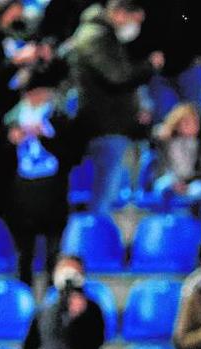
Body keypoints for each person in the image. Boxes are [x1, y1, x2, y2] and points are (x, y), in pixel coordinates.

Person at [64, 0, 164, 214]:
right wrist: (148, 66)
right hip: (103, 125)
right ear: (119, 13)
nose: (135, 27)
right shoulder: (95, 36)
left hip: (112, 124)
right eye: (134, 20)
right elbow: (117, 77)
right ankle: (92, 242)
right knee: (103, 196)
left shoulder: (106, 36)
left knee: (110, 193)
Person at [2, 60, 81, 287]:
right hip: (23, 194)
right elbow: (2, 160)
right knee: (23, 254)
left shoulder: (61, 117)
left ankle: (52, 298)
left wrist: (45, 138)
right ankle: (24, 296)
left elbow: (71, 156)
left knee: (53, 253)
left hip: (53, 194)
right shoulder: (11, 119)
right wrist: (11, 142)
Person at [142, 102, 201, 213]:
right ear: (177, 123)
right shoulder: (164, 141)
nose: (192, 126)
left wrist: (186, 183)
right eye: (187, 122)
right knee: (163, 187)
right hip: (168, 179)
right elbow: (151, 137)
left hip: (191, 182)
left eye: (195, 122)